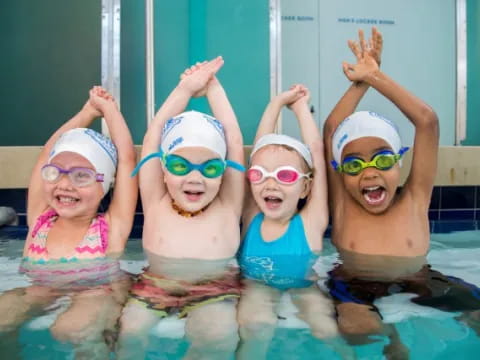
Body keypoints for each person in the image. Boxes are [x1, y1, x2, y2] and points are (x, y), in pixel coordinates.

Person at [323, 28, 480, 358]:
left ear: (399, 162)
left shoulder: (414, 199)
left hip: (419, 278)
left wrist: (376, 76)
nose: (369, 172)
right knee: (356, 331)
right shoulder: (344, 206)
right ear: (340, 171)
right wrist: (360, 83)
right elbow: (331, 129)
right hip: (353, 282)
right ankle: (392, 336)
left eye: (382, 159)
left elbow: (427, 121)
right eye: (353, 164)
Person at [116, 57, 245, 360]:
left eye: (210, 168)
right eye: (179, 165)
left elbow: (235, 140)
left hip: (213, 289)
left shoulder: (227, 206)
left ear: (223, 171)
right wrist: (185, 88)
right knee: (130, 332)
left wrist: (213, 86)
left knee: (220, 337)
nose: (194, 177)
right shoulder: (156, 202)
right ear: (162, 168)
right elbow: (152, 137)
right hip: (155, 285)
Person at [0, 86, 137, 359]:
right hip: (39, 289)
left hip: (96, 292)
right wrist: (86, 113)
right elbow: (46, 153)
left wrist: (110, 111)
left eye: (82, 176)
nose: (65, 185)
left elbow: (127, 161)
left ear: (105, 185)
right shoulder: (41, 217)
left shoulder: (110, 228)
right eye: (56, 172)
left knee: (71, 329)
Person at [237, 85, 351, 359]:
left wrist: (301, 109)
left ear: (305, 188)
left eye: (285, 175)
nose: (270, 183)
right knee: (256, 326)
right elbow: (260, 142)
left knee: (326, 329)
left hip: (305, 285)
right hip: (257, 285)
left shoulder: (311, 223)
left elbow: (316, 151)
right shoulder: (251, 216)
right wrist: (276, 102)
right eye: (260, 174)